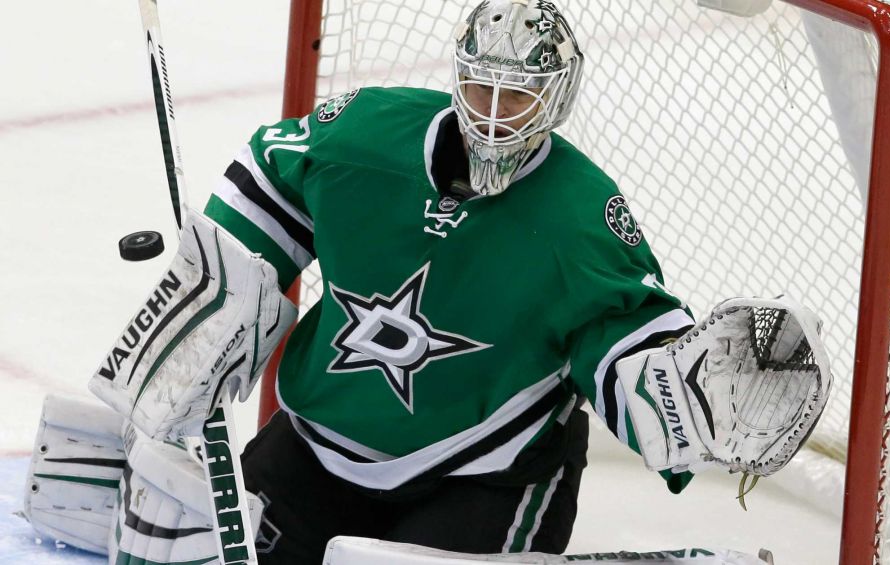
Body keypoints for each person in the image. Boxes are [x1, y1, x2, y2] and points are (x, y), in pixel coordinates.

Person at [43, 1, 827, 564]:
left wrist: (679, 389)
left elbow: (620, 340)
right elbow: (272, 177)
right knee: (192, 548)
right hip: (323, 444)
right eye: (482, 89)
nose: (492, 117)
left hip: (486, 473)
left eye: (516, 96)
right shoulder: (365, 137)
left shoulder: (580, 216)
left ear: (556, 98)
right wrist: (223, 284)